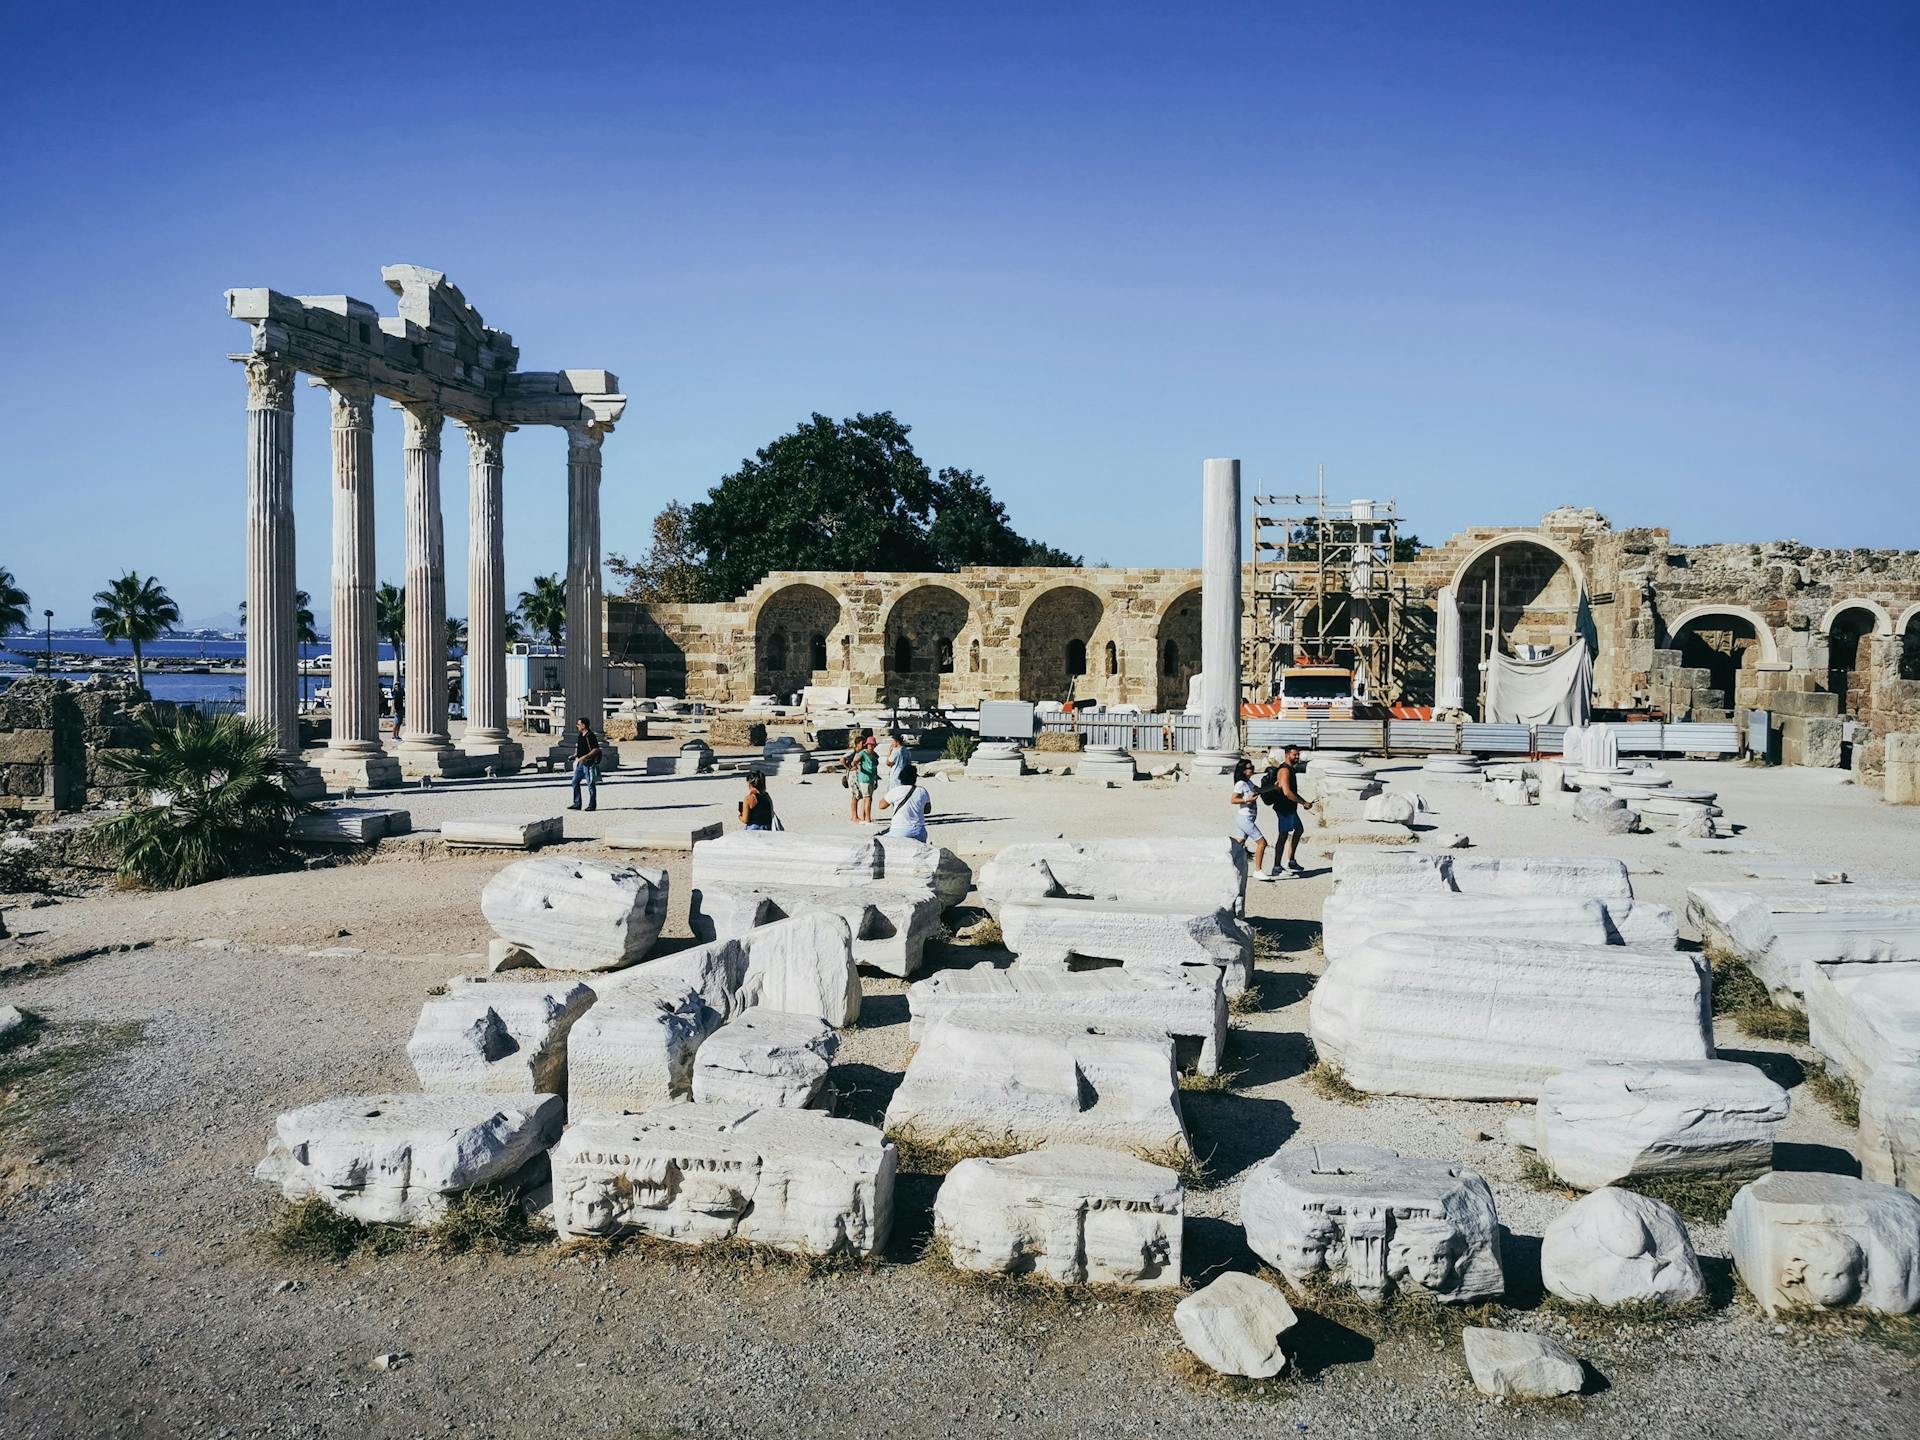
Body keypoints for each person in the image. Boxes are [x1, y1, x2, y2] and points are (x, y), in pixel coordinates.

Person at [1261, 744, 1313, 875]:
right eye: (1294, 754)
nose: (1297, 757)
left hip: (1290, 807)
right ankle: (1277, 867)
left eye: (1298, 755)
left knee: (1299, 829)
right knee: (1283, 836)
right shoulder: (1284, 771)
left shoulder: (1291, 769)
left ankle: (1291, 861)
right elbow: (1287, 792)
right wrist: (1303, 802)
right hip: (1284, 808)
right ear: (1287, 755)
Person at [1230, 758, 1272, 880]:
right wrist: (1246, 800)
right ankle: (1258, 870)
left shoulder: (1249, 782)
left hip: (1249, 818)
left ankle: (1228, 866)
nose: (1252, 769)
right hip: (1245, 818)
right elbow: (1233, 799)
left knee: (1239, 844)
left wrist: (1273, 787)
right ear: (1243, 771)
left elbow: (1258, 790)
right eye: (1250, 767)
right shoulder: (1240, 784)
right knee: (1262, 843)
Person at [879, 762, 933, 841]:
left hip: (899, 830)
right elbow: (928, 810)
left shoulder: (896, 790)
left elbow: (881, 806)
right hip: (919, 830)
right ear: (915, 778)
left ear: (901, 778)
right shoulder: (922, 791)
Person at [568, 717, 602, 811]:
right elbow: (581, 749)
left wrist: (586, 757)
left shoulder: (590, 735)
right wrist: (575, 756)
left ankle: (592, 805)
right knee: (574, 782)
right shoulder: (580, 735)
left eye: (578, 724)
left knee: (590, 785)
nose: (577, 726)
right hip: (580, 763)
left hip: (588, 763)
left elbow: (595, 749)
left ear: (583, 725)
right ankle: (577, 803)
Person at [841, 728, 874, 821]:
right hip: (853, 775)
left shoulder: (861, 752)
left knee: (858, 795)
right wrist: (848, 768)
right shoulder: (853, 752)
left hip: (858, 775)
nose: (864, 745)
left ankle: (857, 816)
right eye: (862, 743)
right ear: (857, 744)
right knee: (855, 796)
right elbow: (842, 759)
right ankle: (854, 816)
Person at [849, 733, 881, 824]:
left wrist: (876, 780)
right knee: (868, 798)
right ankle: (867, 818)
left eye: (873, 744)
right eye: (870, 744)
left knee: (868, 798)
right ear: (867, 745)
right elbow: (854, 762)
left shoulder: (875, 755)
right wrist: (858, 768)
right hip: (864, 778)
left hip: (871, 778)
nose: (871, 746)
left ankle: (865, 817)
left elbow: (875, 768)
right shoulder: (863, 753)